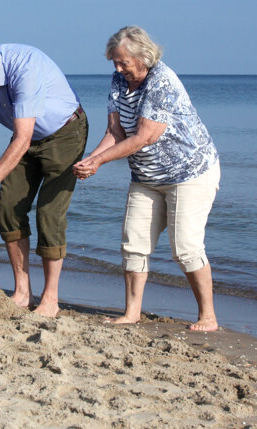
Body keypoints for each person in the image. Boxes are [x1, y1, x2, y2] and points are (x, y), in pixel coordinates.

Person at [73, 26, 221, 332]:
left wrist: (100, 161)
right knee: (133, 243)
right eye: (114, 62)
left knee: (186, 247)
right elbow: (115, 132)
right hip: (145, 176)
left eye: (123, 62)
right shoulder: (118, 81)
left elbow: (145, 136)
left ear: (144, 57)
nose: (118, 68)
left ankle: (208, 316)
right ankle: (132, 312)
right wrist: (90, 160)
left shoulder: (162, 80)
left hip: (188, 173)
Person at [0, 43, 88, 317]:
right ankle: (23, 292)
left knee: (49, 213)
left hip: (64, 132)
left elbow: (23, 138)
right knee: (8, 206)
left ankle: (50, 298)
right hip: (25, 139)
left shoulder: (25, 68)